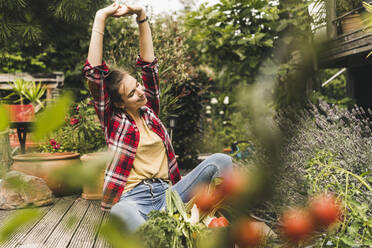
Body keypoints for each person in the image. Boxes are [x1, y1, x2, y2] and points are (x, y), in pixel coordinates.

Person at [83, 3, 233, 232]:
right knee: (119, 212)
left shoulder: (149, 110)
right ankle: (157, 234)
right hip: (134, 200)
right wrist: (100, 16)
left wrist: (141, 15)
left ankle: (219, 220)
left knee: (222, 161)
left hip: (169, 195)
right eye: (132, 93)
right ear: (119, 103)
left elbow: (149, 66)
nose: (141, 91)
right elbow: (94, 74)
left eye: (138, 85)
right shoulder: (113, 121)